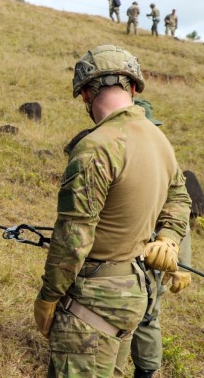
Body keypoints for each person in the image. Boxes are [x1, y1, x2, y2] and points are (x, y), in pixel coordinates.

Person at [34, 44, 191, 377]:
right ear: (133, 87)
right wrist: (169, 237)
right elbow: (180, 197)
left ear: (85, 95)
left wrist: (48, 297)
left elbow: (73, 238)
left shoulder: (97, 146)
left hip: (92, 300)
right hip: (134, 293)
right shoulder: (157, 138)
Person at [129, 98, 193, 378]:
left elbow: (179, 216)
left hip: (153, 259)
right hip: (116, 256)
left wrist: (181, 265)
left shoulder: (164, 163)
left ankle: (146, 371)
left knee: (146, 317)